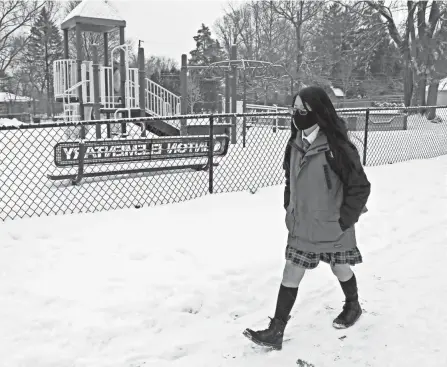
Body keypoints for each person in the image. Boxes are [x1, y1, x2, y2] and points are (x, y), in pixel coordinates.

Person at [243, 86, 371, 350]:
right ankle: (276, 331)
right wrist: (289, 205)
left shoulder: (338, 148)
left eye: (303, 109)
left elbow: (360, 187)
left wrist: (344, 221)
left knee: (340, 268)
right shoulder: (295, 144)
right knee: (291, 272)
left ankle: (353, 305)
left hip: (333, 225)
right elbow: (291, 179)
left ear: (319, 112)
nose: (297, 114)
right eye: (295, 109)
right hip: (302, 225)